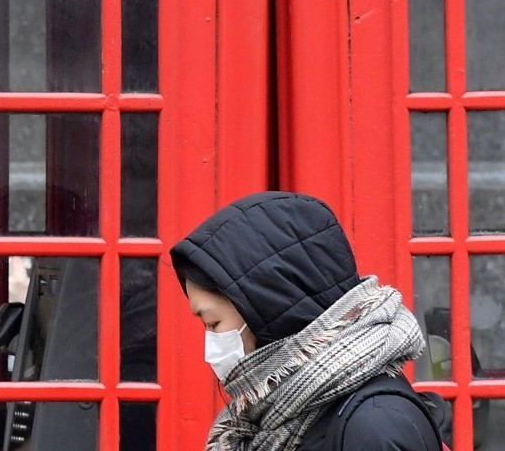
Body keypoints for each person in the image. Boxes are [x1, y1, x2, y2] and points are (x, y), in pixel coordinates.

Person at [171, 191, 445, 451]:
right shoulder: (275, 419)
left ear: (266, 307)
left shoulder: (377, 427)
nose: (210, 347)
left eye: (213, 323)